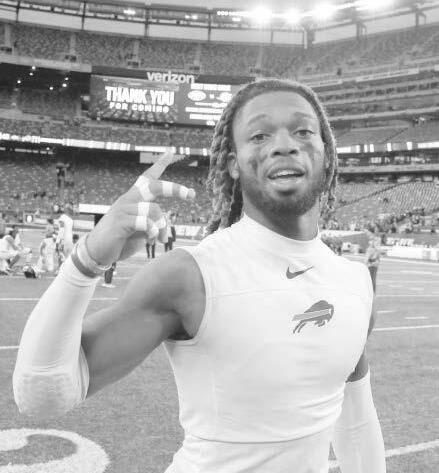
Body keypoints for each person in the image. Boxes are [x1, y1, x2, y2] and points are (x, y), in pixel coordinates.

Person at [13, 81, 385, 473]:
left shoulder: (355, 283)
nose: (284, 145)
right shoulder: (190, 275)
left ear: (327, 152)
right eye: (259, 135)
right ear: (233, 163)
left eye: (303, 131)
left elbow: (357, 423)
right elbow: (42, 396)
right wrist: (86, 261)